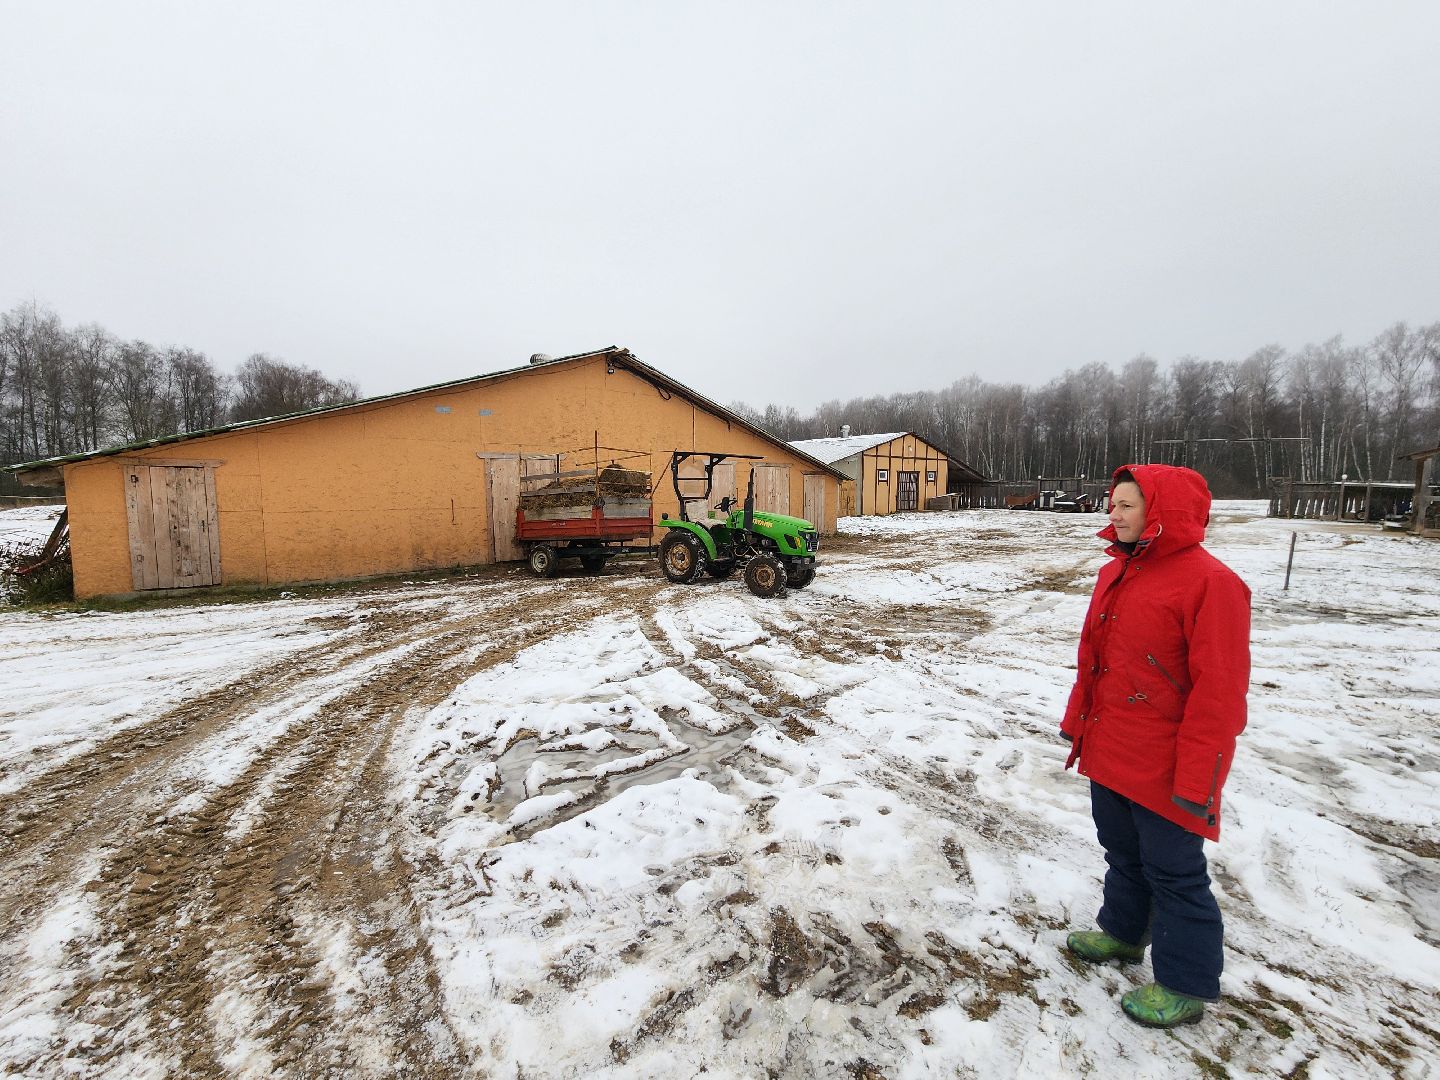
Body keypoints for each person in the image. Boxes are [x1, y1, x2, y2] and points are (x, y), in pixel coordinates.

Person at [1059, 464, 1251, 1028]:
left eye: (1125, 505)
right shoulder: (1115, 574)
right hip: (1111, 746)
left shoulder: (1211, 583)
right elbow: (1093, 660)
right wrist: (1079, 721)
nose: (1111, 513)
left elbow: (1220, 693)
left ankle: (1185, 983)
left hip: (1168, 762)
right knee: (1121, 852)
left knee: (1174, 871)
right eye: (1111, 504)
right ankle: (1122, 933)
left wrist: (1199, 777)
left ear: (1162, 511)